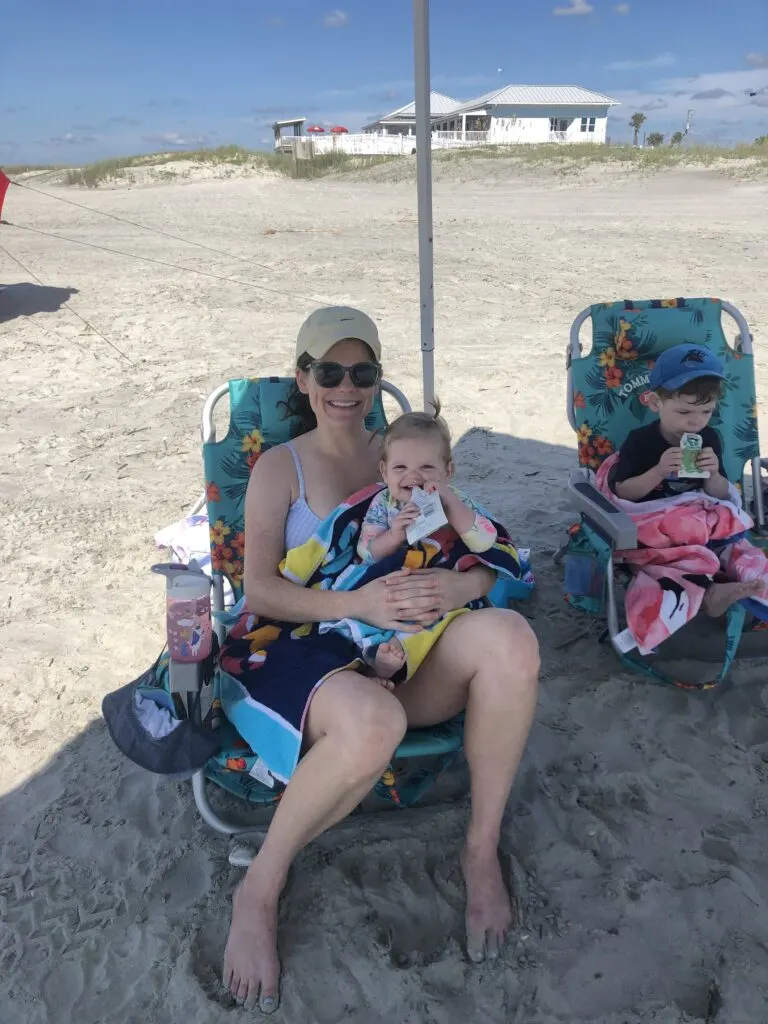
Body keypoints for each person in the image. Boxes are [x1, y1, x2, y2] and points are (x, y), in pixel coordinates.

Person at [220, 306, 540, 1012]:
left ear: (377, 379)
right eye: (327, 371)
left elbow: (476, 545)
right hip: (308, 647)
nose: (345, 386)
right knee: (372, 724)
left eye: (362, 372)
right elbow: (262, 588)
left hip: (407, 647)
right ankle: (260, 888)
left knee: (512, 638)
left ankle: (479, 850)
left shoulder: (405, 452)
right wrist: (355, 606)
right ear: (302, 378)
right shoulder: (281, 467)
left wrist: (465, 583)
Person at [321, 404, 500, 682]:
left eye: (427, 467)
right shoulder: (383, 504)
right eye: (400, 467)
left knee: (432, 620)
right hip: (392, 582)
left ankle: (391, 662)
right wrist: (394, 535)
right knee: (364, 620)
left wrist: (450, 504)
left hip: (439, 584)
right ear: (384, 471)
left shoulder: (456, 500)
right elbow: (366, 552)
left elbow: (486, 541)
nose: (413, 476)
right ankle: (378, 663)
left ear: (448, 470)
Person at [601, 343, 765, 643]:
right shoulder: (641, 442)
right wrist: (658, 472)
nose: (695, 421)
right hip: (659, 527)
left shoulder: (709, 438)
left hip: (700, 521)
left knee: (738, 548)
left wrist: (714, 474)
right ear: (654, 403)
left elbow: (720, 496)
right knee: (670, 561)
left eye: (706, 411)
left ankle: (733, 585)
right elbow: (624, 493)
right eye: (684, 411)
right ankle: (709, 593)